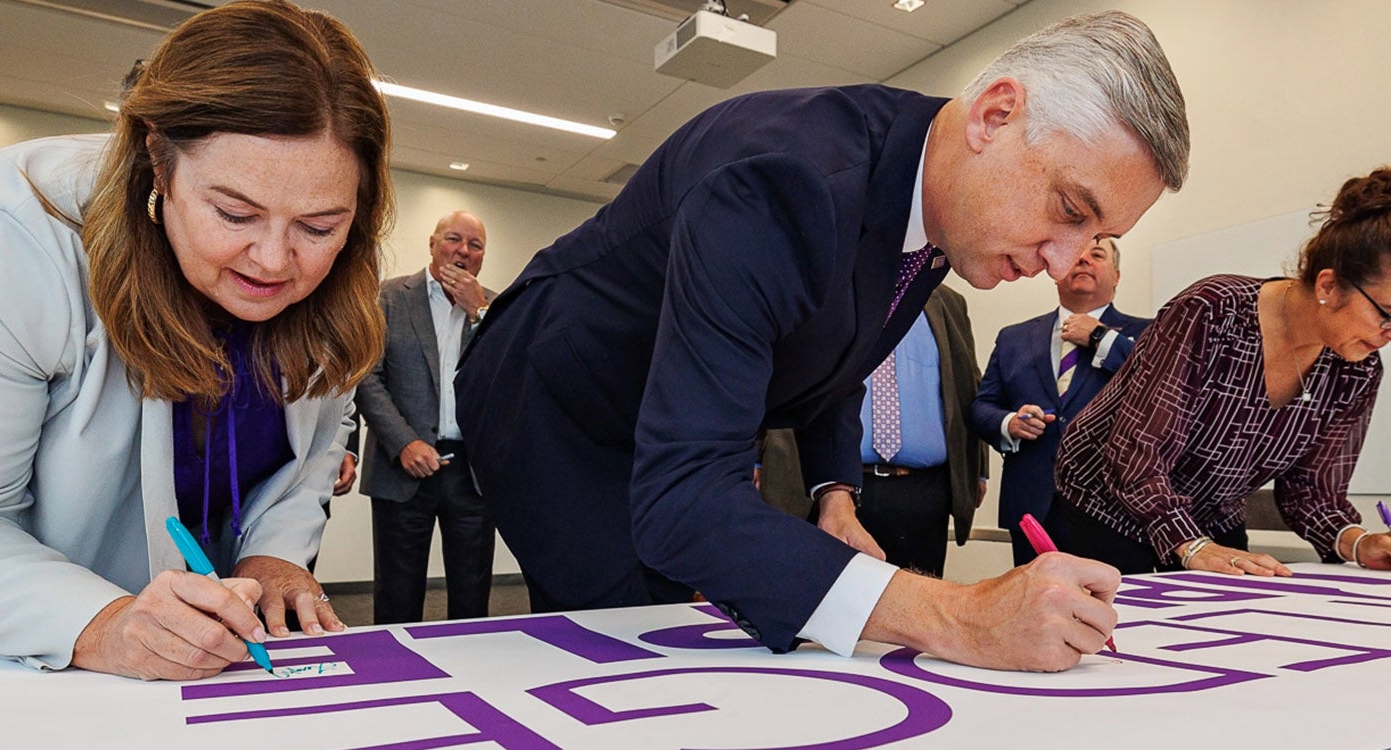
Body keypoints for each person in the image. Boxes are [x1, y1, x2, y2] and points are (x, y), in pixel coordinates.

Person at [458, 10, 1190, 672]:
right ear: (995, 115)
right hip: (556, 395)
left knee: (717, 602)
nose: (1063, 262)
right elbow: (682, 499)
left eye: (1097, 237)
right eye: (1067, 209)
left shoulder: (937, 208)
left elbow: (835, 357)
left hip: (659, 402)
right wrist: (958, 614)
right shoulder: (782, 179)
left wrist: (832, 496)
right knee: (632, 624)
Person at [0, 0, 387, 680]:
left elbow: (319, 436)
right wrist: (105, 624)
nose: (272, 259)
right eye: (234, 212)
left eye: (319, 226)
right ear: (156, 158)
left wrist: (275, 553)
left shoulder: (333, 273)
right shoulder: (15, 227)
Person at [1051, 167, 1391, 576]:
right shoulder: (1213, 313)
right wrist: (1190, 545)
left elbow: (1313, 492)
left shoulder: (1356, 370)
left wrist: (1359, 541)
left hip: (1212, 528)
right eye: (1390, 315)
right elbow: (1136, 451)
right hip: (1105, 518)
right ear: (1328, 287)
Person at [760, 284, 987, 578]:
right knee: (818, 603)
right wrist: (753, 458)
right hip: (822, 487)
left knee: (914, 611)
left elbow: (968, 381)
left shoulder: (947, 301)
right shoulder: (821, 286)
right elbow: (770, 369)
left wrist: (978, 469)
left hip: (922, 493)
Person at [352, 211, 497, 623]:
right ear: (432, 244)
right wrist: (404, 443)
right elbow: (366, 377)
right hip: (403, 468)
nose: (463, 251)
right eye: (453, 239)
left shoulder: (494, 306)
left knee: (472, 595)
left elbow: (508, 378)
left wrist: (479, 312)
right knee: (398, 594)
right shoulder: (389, 297)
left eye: (475, 245)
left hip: (471, 474)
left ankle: (470, 676)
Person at [969, 238, 1145, 566]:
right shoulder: (1014, 337)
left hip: (1114, 510)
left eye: (1096, 255)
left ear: (1117, 275)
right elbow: (982, 407)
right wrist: (1010, 423)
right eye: (1075, 255)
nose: (1084, 261)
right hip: (1034, 507)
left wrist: (1102, 339)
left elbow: (1155, 384)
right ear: (1056, 271)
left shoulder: (1148, 334)